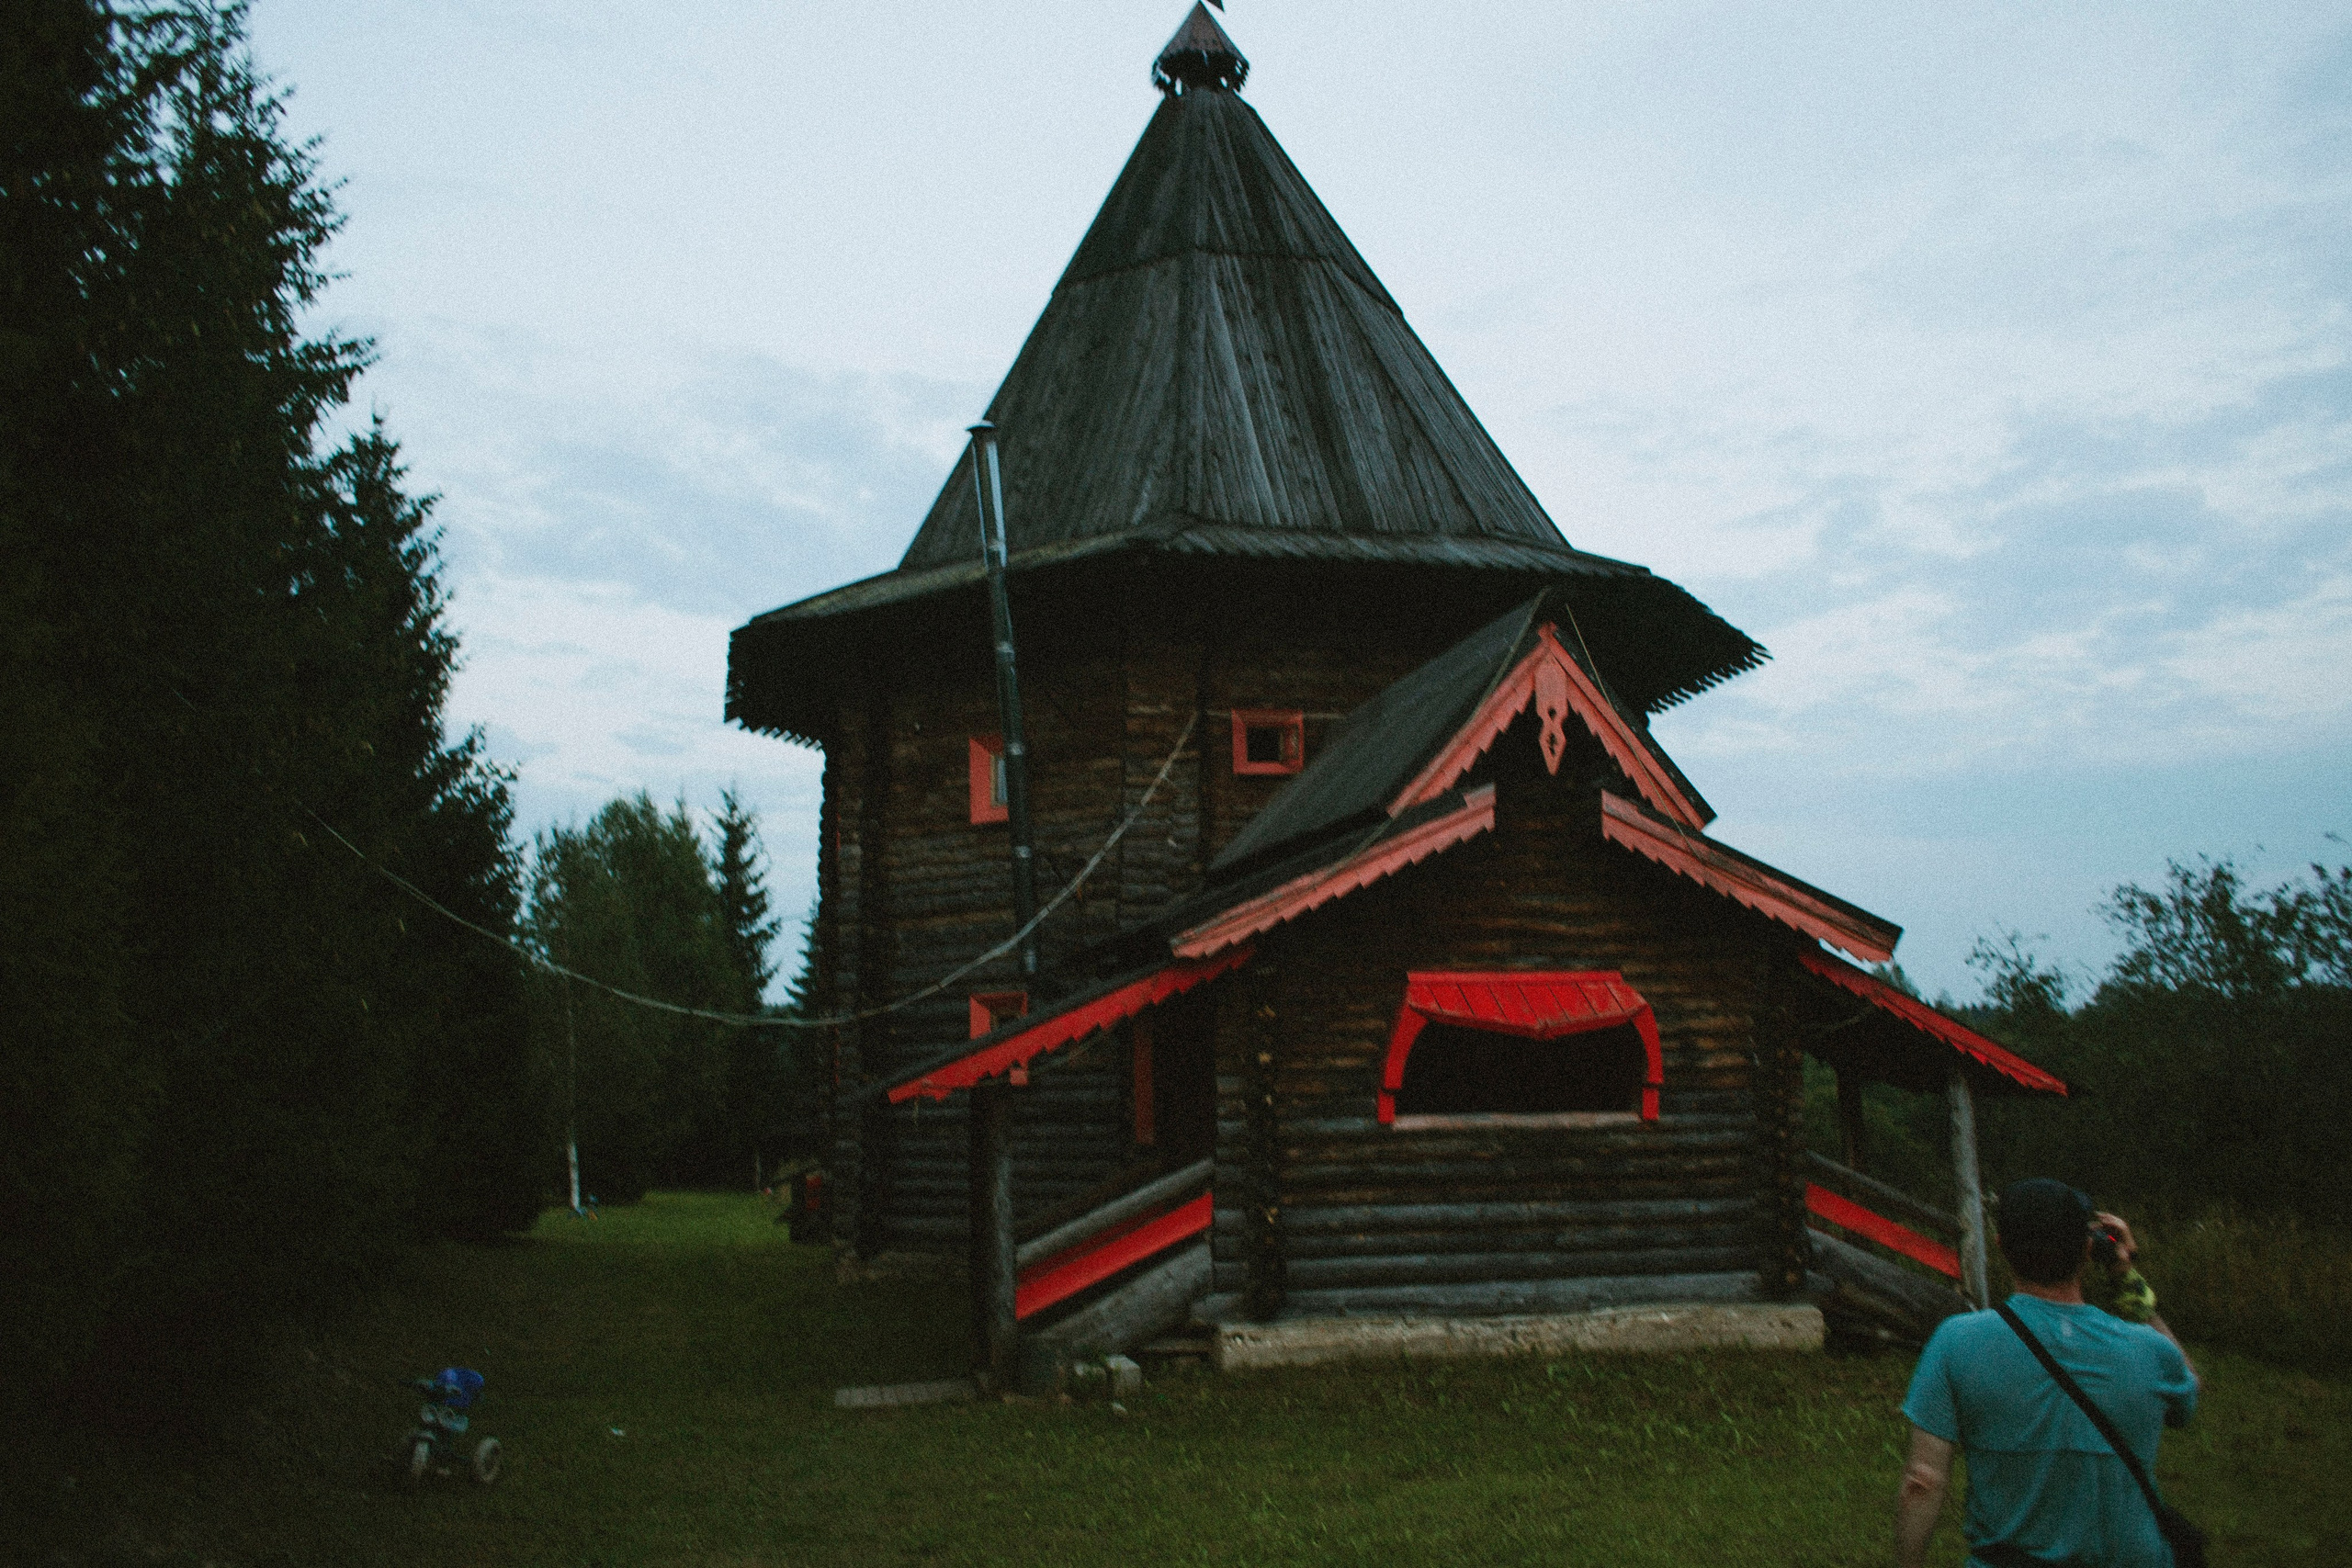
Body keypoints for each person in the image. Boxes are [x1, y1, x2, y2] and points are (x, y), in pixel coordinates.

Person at [1895, 1179, 2199, 1568]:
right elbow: (2187, 1388)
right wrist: (2126, 1278)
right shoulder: (2150, 1351)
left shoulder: (1956, 1342)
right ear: (2090, 1251)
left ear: (2002, 1247)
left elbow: (1922, 1481)